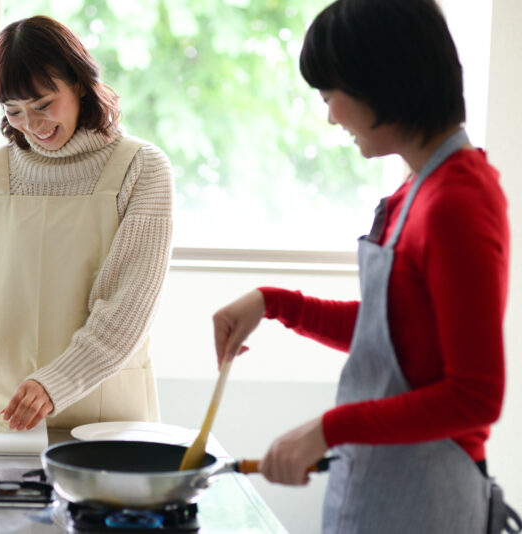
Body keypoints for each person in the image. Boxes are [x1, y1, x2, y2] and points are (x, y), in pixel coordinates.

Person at [212, 0, 519, 532]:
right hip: (384, 488)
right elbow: (395, 337)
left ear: (383, 83)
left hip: (429, 501)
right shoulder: (415, 190)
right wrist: (273, 303)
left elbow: (475, 395)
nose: (331, 115)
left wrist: (327, 429)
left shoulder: (458, 200)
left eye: (332, 96)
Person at [0, 15, 173, 431]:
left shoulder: (140, 169)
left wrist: (57, 383)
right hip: (5, 416)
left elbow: (128, 307)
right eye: (13, 111)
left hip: (109, 419)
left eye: (43, 105)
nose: (32, 126)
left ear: (80, 83)